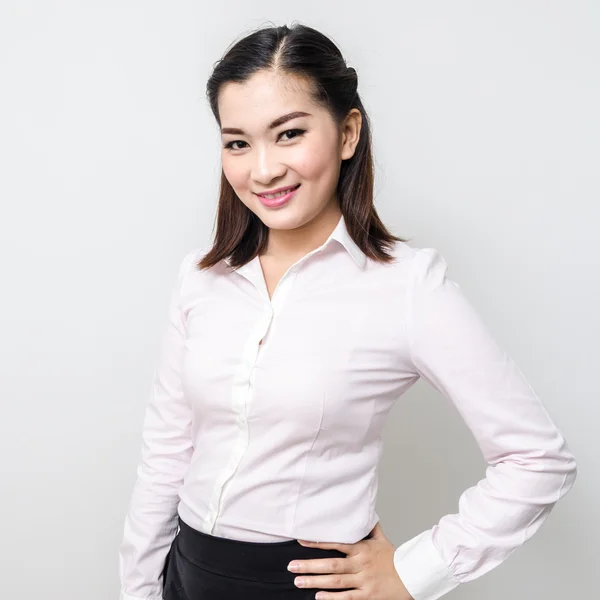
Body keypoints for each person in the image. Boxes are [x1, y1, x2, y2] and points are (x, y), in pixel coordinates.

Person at [118, 22, 577, 600]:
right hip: (187, 573)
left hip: (307, 585)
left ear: (347, 132)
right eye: (238, 142)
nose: (262, 170)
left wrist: (415, 571)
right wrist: (139, 588)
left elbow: (538, 459)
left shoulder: (407, 286)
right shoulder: (202, 278)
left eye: (288, 134)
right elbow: (166, 456)